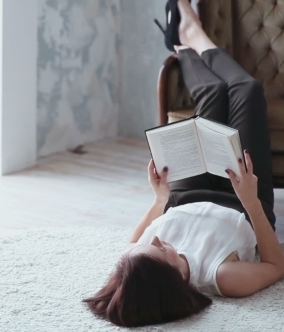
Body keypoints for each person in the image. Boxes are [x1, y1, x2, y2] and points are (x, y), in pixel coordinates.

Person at [83, 0, 284, 327]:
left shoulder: (142, 259)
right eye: (161, 249)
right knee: (247, 89)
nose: (157, 239)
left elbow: (133, 242)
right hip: (242, 201)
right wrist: (251, 199)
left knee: (214, 92)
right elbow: (277, 266)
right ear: (175, 278)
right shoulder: (223, 276)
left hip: (185, 194)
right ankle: (191, 37)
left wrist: (159, 200)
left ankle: (181, 40)